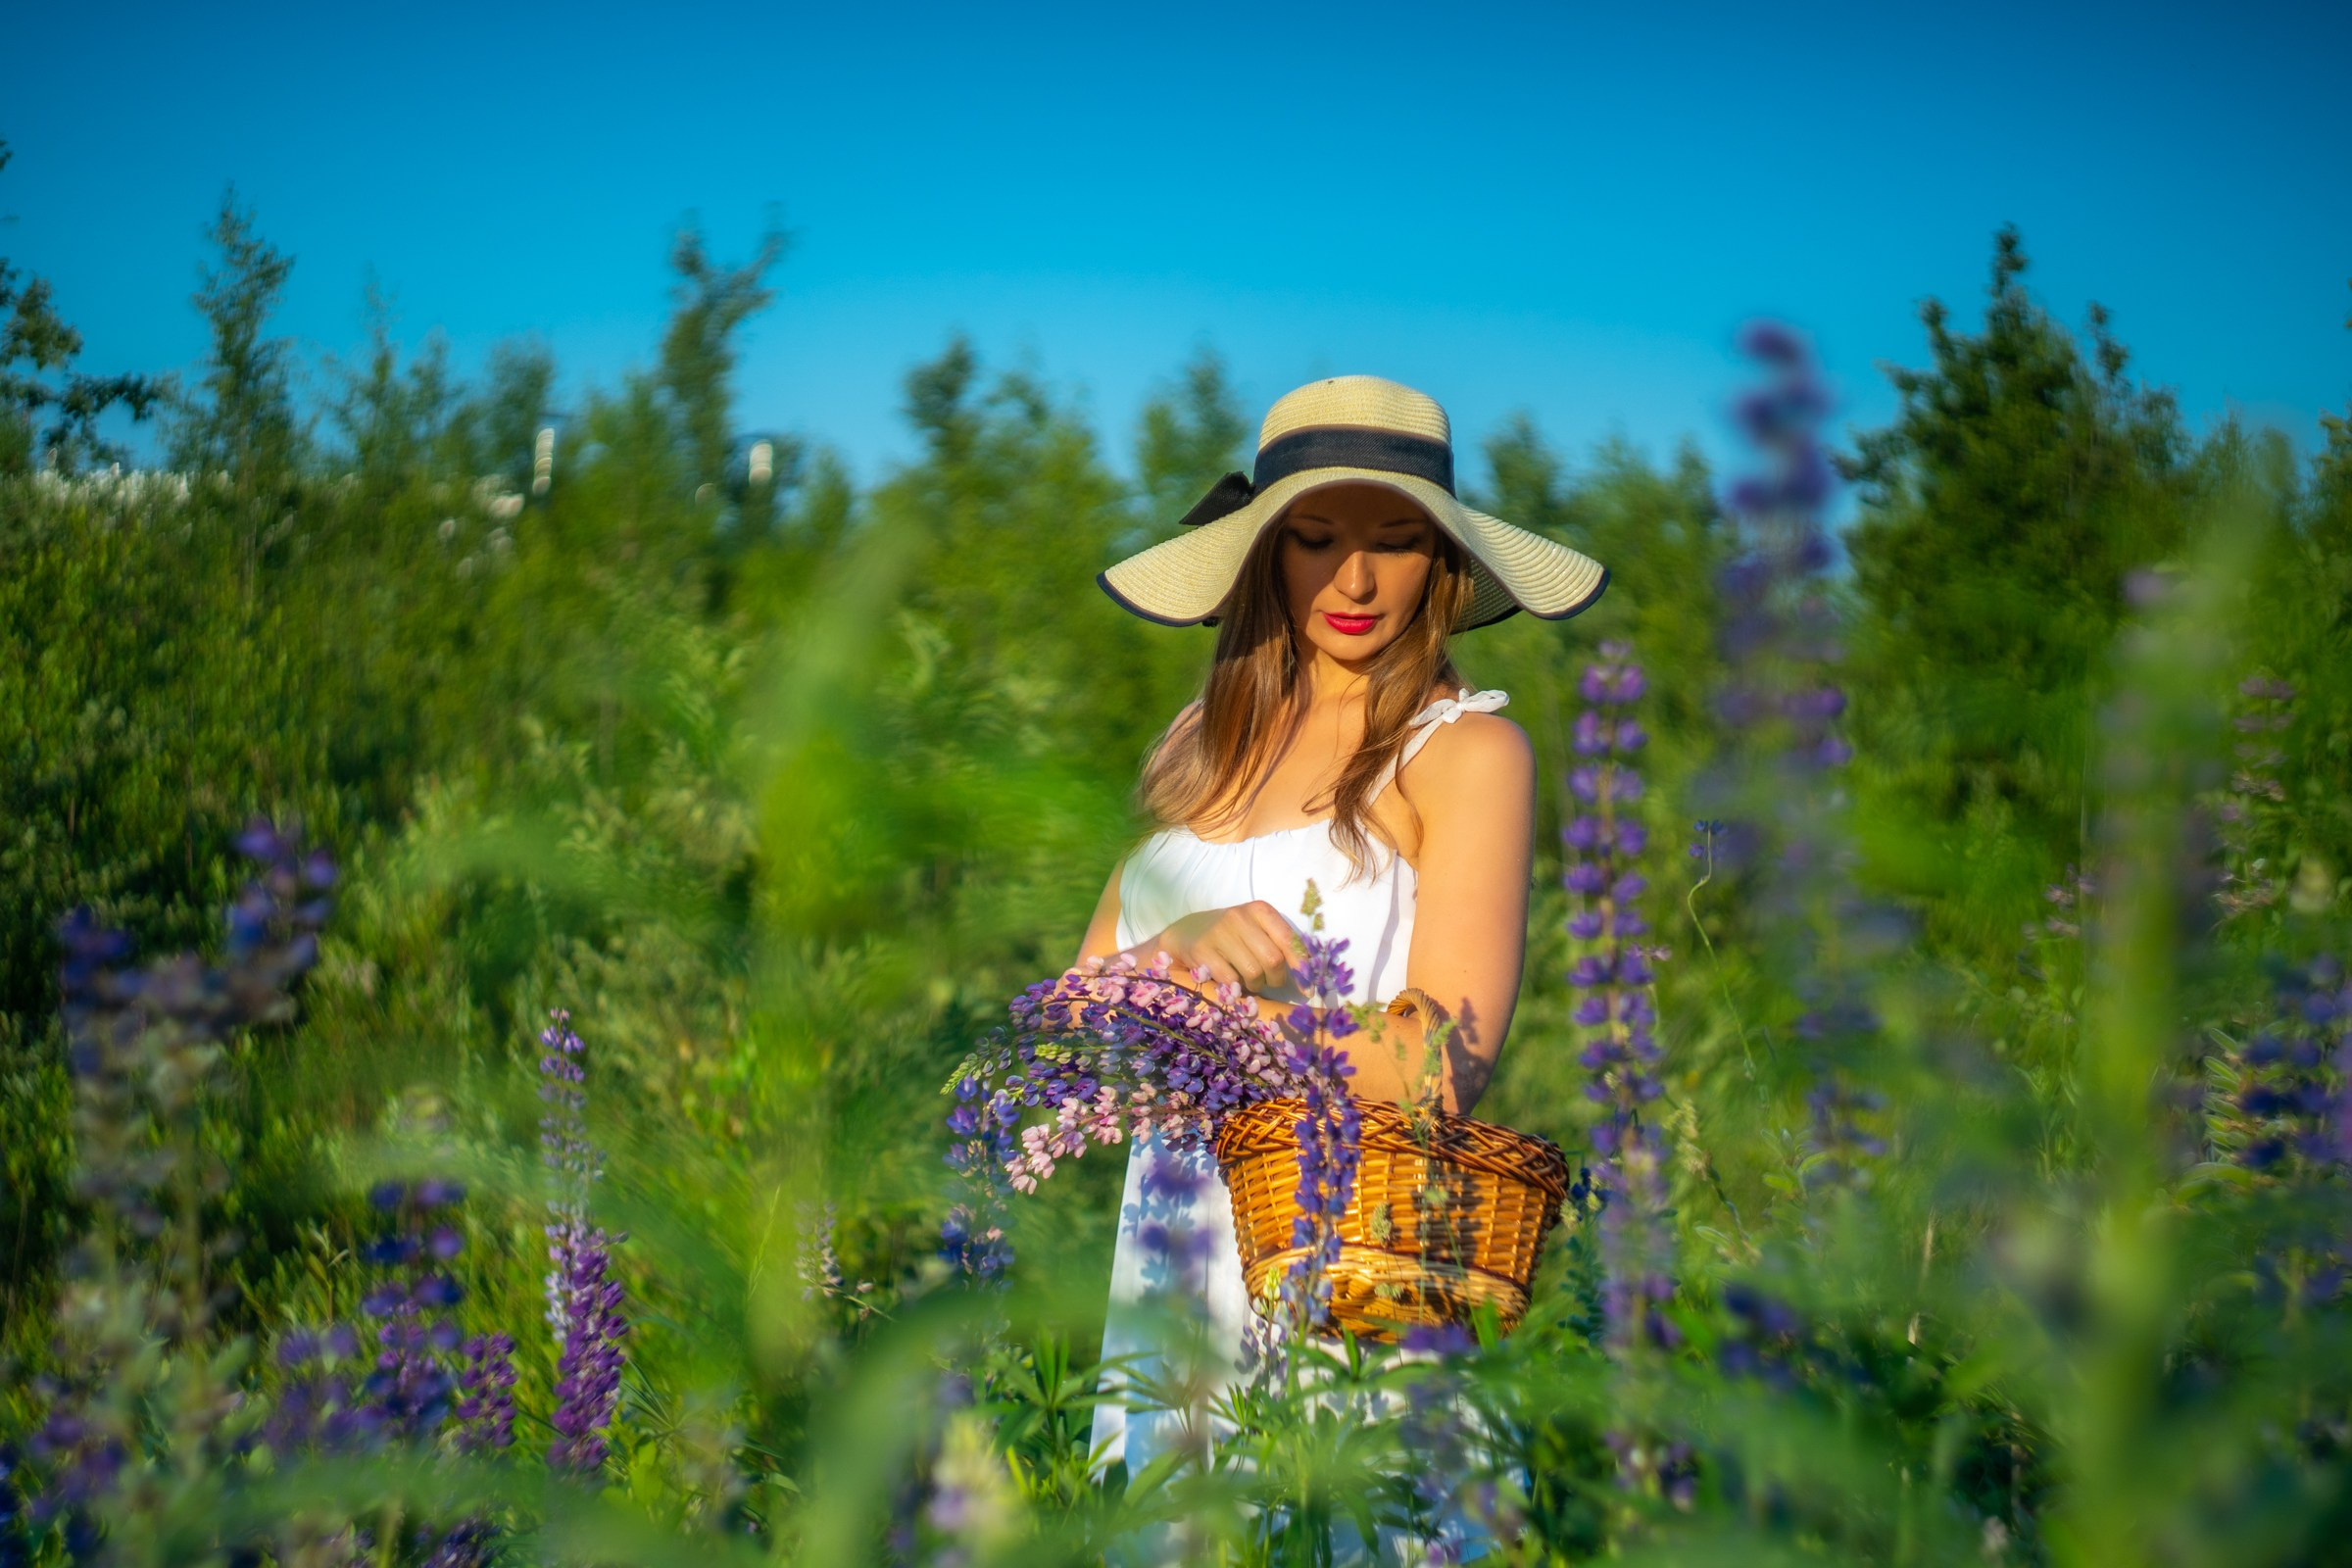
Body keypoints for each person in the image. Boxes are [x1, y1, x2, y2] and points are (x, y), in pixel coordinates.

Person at [1072, 373, 1609, 1494]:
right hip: (1171, 1259)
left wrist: (1197, 1008)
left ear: (1445, 561)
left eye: (1398, 542)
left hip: (1348, 1259)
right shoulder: (1200, 749)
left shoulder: (1464, 754)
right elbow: (1068, 1035)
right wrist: (1182, 951)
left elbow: (1437, 1063)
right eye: (1315, 538)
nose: (1356, 581)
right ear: (1267, 550)